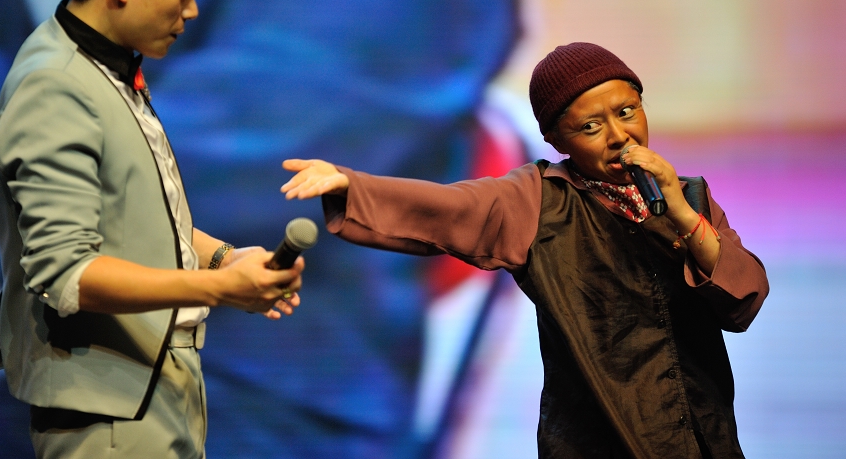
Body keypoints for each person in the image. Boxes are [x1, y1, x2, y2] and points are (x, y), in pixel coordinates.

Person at [281, 41, 770, 459]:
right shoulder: (538, 201)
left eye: (627, 111)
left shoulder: (690, 198)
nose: (620, 136)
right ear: (556, 138)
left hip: (703, 440)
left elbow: (744, 299)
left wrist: (681, 215)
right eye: (591, 126)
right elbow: (448, 209)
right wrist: (351, 185)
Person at [0, 0, 304, 458]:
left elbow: (134, 216)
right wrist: (218, 286)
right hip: (109, 417)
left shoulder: (105, 68)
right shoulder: (56, 84)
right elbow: (67, 273)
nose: (191, 9)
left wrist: (225, 257)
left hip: (149, 394)